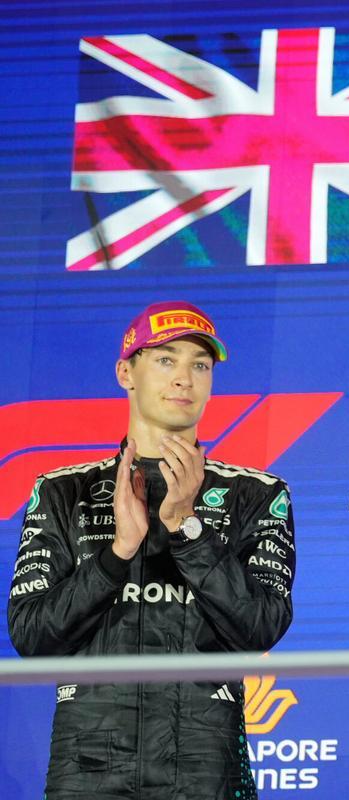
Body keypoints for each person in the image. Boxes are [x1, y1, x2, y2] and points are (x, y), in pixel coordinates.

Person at [8, 301, 296, 800]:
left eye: (199, 366)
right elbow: (31, 637)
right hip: (88, 765)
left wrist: (189, 529)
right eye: (166, 359)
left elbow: (262, 627)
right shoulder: (61, 493)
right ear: (126, 372)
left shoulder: (259, 495)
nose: (184, 378)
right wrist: (117, 552)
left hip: (207, 764)